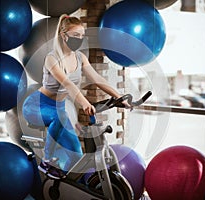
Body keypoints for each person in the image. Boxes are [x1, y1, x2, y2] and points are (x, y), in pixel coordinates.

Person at [22, 14, 130, 179]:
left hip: (59, 109)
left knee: (77, 157)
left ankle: (62, 185)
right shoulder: (52, 58)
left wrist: (119, 97)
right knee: (57, 118)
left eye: (81, 36)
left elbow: (97, 79)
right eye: (75, 36)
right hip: (36, 105)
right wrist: (85, 102)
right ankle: (47, 161)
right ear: (64, 36)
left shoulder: (80, 57)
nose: (79, 39)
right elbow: (68, 84)